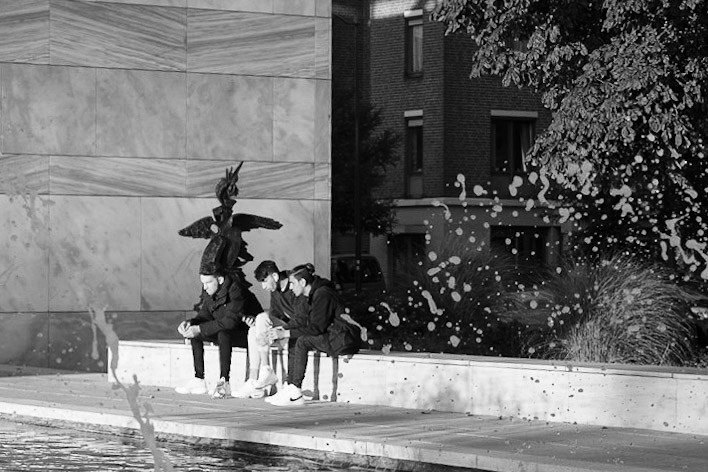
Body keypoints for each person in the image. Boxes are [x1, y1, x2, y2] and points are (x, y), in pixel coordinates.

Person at [265, 263, 361, 406]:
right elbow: (305, 323)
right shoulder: (313, 294)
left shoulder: (322, 294)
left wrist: (286, 332)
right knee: (296, 338)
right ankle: (290, 386)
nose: (291, 287)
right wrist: (284, 331)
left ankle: (295, 391)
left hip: (343, 339)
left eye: (293, 283)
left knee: (302, 341)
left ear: (303, 282)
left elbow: (316, 328)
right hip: (336, 336)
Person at [175, 264, 262, 399]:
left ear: (220, 280)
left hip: (247, 334)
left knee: (223, 334)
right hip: (227, 331)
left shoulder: (236, 291)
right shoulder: (210, 292)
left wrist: (199, 328)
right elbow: (204, 316)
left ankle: (224, 383)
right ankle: (199, 379)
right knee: (195, 333)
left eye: (208, 282)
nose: (205, 287)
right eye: (203, 283)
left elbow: (230, 321)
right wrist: (190, 323)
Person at [231, 260, 308, 398]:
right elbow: (274, 315)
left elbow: (300, 319)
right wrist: (260, 326)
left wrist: (279, 330)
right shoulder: (275, 291)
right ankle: (253, 379)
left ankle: (266, 369)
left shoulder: (295, 286)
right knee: (253, 329)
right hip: (283, 329)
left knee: (261, 317)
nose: (264, 286)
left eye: (265, 281)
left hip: (297, 330)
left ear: (275, 276)